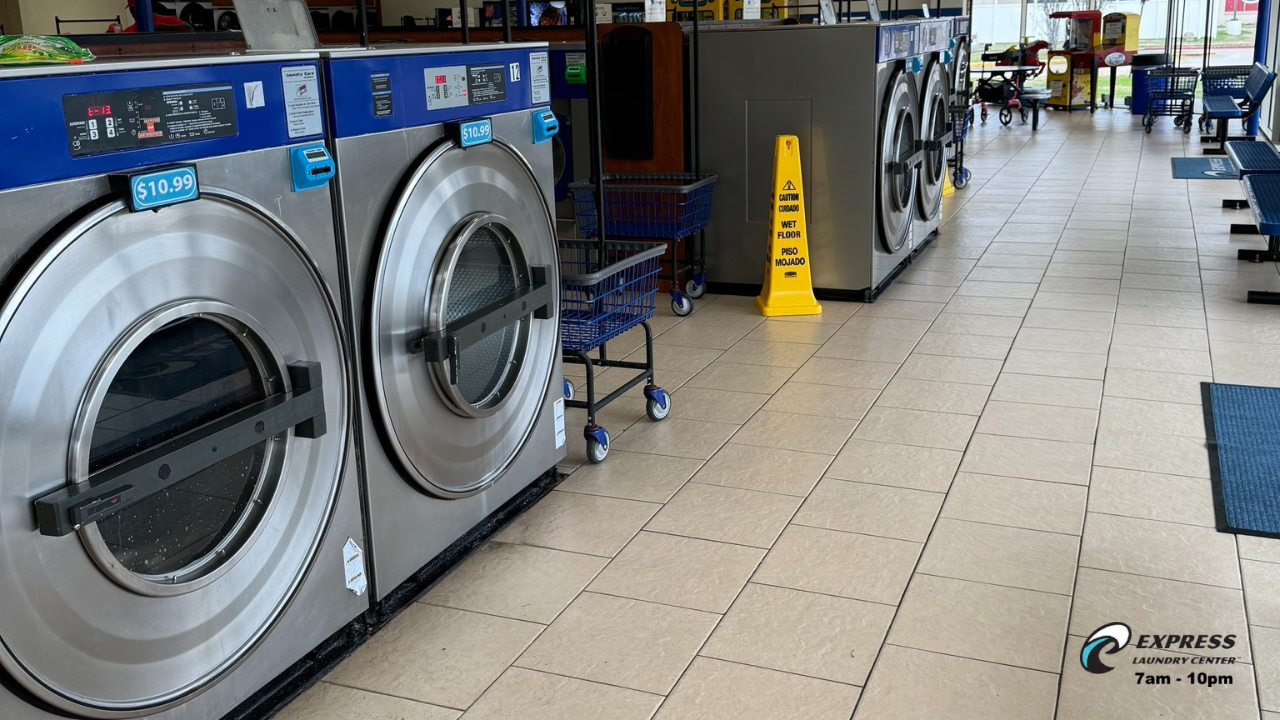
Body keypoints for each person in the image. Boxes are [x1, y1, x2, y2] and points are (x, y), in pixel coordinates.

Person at [110, 0, 194, 33]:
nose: (134, 12)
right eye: (132, 9)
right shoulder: (129, 30)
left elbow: (189, 29)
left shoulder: (167, 20)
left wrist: (159, 27)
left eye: (136, 8)